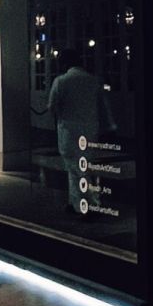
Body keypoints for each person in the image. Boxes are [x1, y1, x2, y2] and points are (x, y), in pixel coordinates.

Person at [47, 51, 116, 214]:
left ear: (65, 63)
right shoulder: (93, 80)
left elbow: (52, 106)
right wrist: (110, 125)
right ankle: (76, 202)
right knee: (83, 166)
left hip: (69, 130)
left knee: (74, 168)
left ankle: (87, 205)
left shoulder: (61, 81)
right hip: (90, 128)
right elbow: (103, 105)